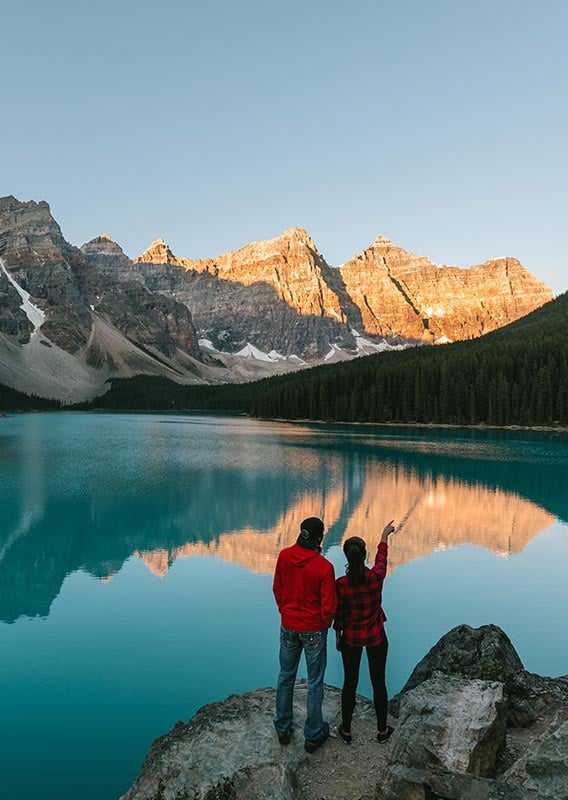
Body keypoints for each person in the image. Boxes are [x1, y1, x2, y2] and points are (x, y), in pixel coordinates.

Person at [273, 516, 337, 753]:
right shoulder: (324, 567)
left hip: (288, 626)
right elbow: (329, 606)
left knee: (285, 675)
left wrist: (285, 611)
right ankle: (312, 734)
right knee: (314, 682)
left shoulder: (284, 556)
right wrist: (321, 624)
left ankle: (282, 726)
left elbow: (277, 588)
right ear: (320, 538)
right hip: (313, 631)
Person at [333, 519, 396, 744]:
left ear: (347, 558)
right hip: (376, 637)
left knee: (350, 682)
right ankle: (381, 730)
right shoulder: (376, 577)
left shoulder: (341, 584)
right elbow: (382, 559)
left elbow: (338, 615)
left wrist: (338, 636)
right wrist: (384, 535)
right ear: (364, 555)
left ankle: (347, 729)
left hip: (351, 638)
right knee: (379, 682)